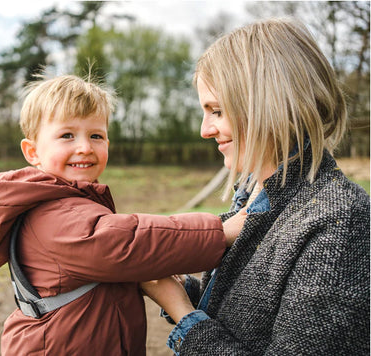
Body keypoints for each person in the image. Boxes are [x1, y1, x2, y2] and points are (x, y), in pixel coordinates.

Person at [0, 74, 246, 355]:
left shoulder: (70, 201)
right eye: (67, 135)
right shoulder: (51, 213)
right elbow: (127, 241)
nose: (85, 147)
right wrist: (220, 232)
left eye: (96, 136)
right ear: (32, 151)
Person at [141, 17, 370, 355]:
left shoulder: (340, 220)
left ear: (268, 103)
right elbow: (248, 314)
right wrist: (181, 290)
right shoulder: (254, 196)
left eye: (216, 111)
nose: (205, 130)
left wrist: (184, 315)